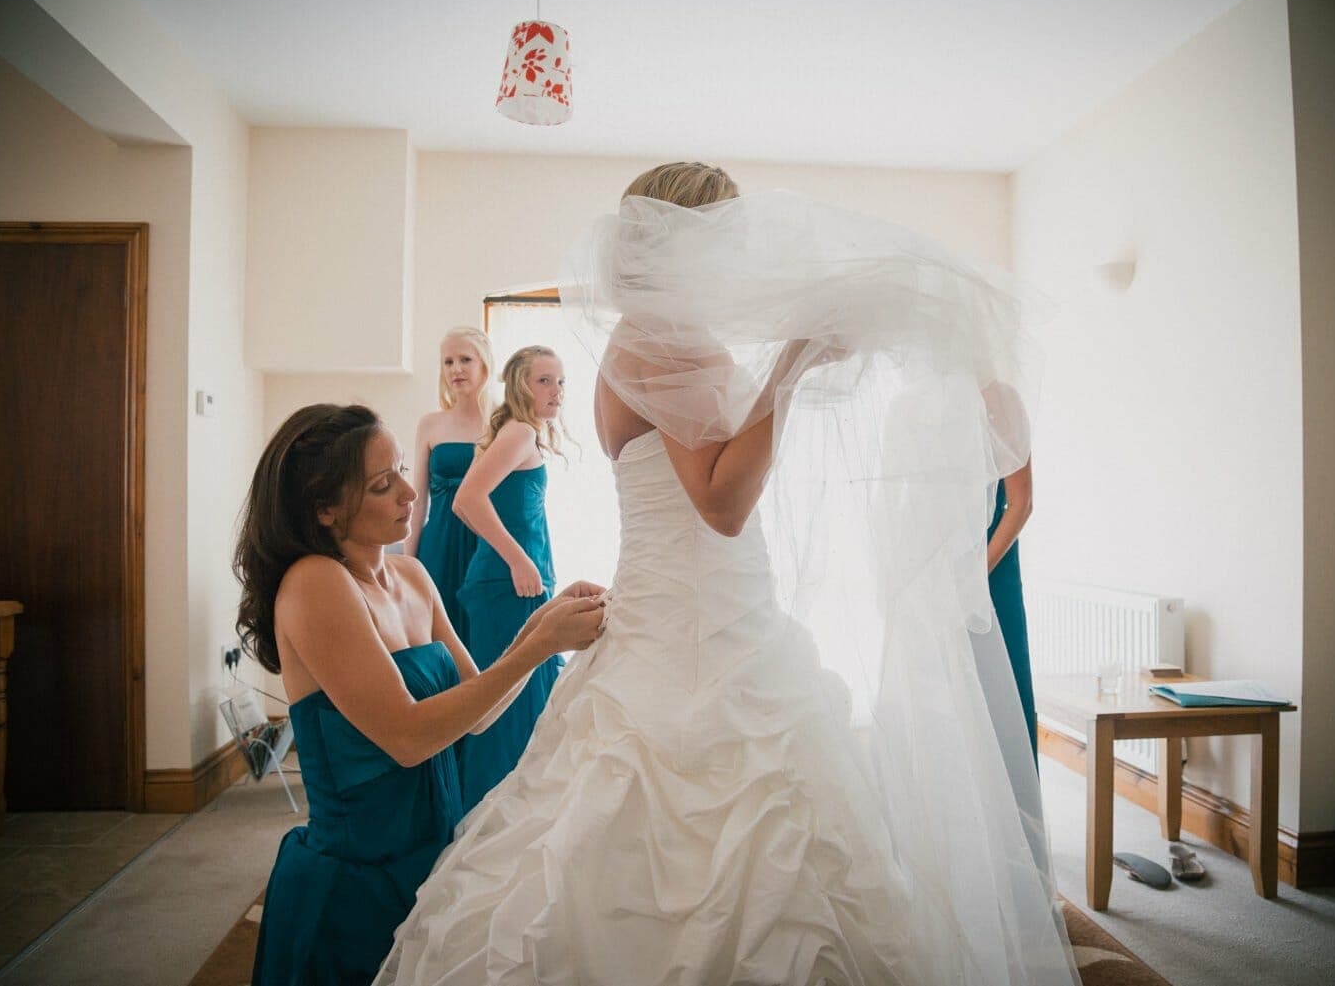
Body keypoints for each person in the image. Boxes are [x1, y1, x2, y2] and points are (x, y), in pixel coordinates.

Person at [376, 165, 1078, 985]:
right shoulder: (658, 340)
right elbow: (720, 502)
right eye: (726, 237)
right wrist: (792, 363)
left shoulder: (658, 336)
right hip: (691, 625)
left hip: (719, 610)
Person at [233, 403, 604, 986]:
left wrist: (541, 624)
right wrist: (536, 649)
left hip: (433, 854)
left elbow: (474, 714)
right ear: (324, 508)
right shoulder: (315, 583)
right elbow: (408, 737)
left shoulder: (411, 576)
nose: (411, 492)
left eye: (402, 470)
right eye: (383, 485)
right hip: (357, 878)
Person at [450, 346, 568, 811]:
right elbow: (467, 499)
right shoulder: (518, 432)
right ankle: (488, 823)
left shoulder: (526, 434)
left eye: (560, 381)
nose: (556, 391)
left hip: (520, 583)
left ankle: (511, 823)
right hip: (507, 586)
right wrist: (520, 561)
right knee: (504, 714)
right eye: (544, 381)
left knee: (519, 706)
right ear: (520, 385)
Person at [406, 327, 495, 642]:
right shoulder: (430, 424)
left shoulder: (503, 424)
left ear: (484, 364)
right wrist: (407, 565)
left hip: (487, 545)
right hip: (439, 546)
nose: (456, 369)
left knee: (486, 639)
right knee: (440, 641)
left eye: (465, 359)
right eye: (448, 362)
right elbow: (417, 502)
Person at [988, 459, 1037, 759]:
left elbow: (1021, 503)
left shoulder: (1000, 409)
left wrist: (974, 578)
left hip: (990, 570)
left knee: (1001, 695)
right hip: (933, 577)